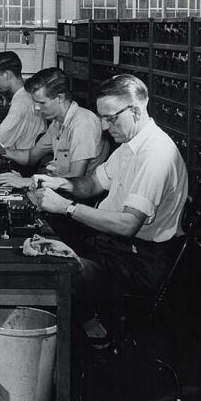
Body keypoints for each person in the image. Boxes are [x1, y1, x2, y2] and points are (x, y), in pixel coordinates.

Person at [29, 74, 188, 346]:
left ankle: (93, 340)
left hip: (140, 261)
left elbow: (128, 224)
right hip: (117, 247)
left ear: (136, 110)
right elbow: (93, 183)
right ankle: (82, 332)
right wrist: (61, 183)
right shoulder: (130, 146)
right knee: (47, 249)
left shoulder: (156, 154)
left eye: (110, 118)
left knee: (60, 271)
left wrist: (66, 207)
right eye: (102, 117)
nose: (104, 126)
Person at [0, 68, 109, 189]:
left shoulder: (82, 122)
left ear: (59, 98)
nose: (36, 108)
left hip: (73, 197)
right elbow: (30, 157)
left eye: (41, 103)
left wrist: (26, 181)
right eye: (34, 102)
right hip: (55, 188)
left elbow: (76, 177)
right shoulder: (57, 123)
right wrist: (1, 150)